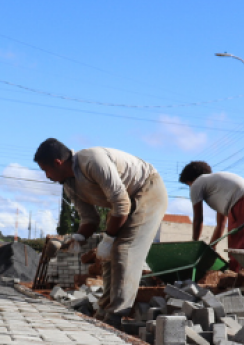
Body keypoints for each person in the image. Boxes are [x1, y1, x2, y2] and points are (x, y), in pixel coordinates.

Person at [34, 138, 167, 322]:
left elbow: (121, 204)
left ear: (57, 163)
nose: (46, 176)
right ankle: (104, 310)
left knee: (124, 251)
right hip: (124, 201)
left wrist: (109, 239)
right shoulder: (69, 185)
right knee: (107, 258)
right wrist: (78, 237)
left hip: (147, 189)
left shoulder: (92, 161)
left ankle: (117, 315)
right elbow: (90, 218)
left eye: (45, 170)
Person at [179, 161, 244, 270]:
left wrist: (194, 245)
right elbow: (221, 225)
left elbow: (198, 219)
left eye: (188, 185)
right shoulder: (218, 186)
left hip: (242, 201)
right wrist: (211, 248)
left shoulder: (197, 183)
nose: (190, 188)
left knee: (238, 249)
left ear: (191, 180)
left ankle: (237, 279)